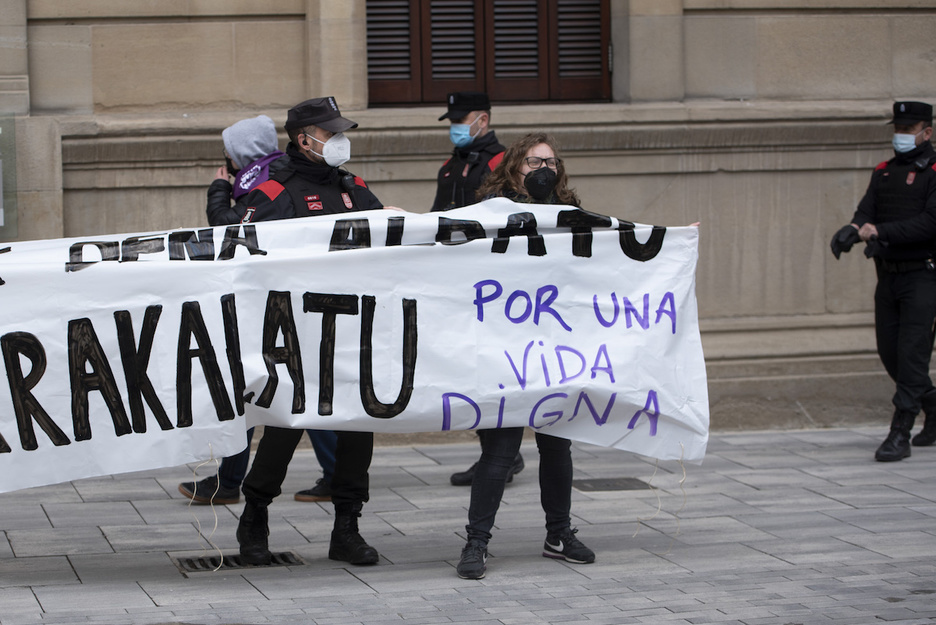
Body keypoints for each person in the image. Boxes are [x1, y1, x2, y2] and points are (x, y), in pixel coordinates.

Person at [225, 97, 387, 566]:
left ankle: (347, 526)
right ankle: (255, 515)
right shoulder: (277, 193)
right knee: (284, 427)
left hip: (354, 331)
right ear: (305, 140)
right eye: (331, 134)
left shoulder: (355, 188)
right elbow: (247, 259)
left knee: (357, 429)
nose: (340, 142)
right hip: (297, 337)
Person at [455, 132, 595, 580]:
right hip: (506, 351)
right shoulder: (488, 216)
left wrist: (670, 242)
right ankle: (476, 542)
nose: (543, 170)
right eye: (534, 162)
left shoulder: (573, 217)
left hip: (556, 350)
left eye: (550, 163)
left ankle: (559, 534)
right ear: (514, 167)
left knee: (557, 447)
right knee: (499, 451)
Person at [179, 114, 336, 505]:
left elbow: (225, 228)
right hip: (280, 305)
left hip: (271, 308)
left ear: (239, 155)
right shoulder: (275, 177)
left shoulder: (261, 187)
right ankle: (331, 474)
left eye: (228, 154)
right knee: (292, 393)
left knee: (264, 394)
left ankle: (234, 482)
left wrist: (218, 188)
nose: (226, 162)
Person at [830, 100, 936, 462]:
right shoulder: (885, 172)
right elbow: (867, 209)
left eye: (909, 130)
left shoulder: (934, 171)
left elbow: (930, 223)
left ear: (927, 132)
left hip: (923, 275)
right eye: (898, 129)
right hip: (887, 277)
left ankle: (900, 432)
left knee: (911, 355)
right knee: (891, 354)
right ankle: (933, 409)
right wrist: (852, 229)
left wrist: (880, 231)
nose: (901, 136)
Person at [431, 91, 524, 487]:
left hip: (493, 285)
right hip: (458, 284)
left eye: (461, 118)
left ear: (482, 120)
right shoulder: (452, 166)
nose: (455, 127)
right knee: (470, 370)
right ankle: (501, 455)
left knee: (491, 368)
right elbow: (436, 218)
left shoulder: (504, 163)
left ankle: (500, 457)